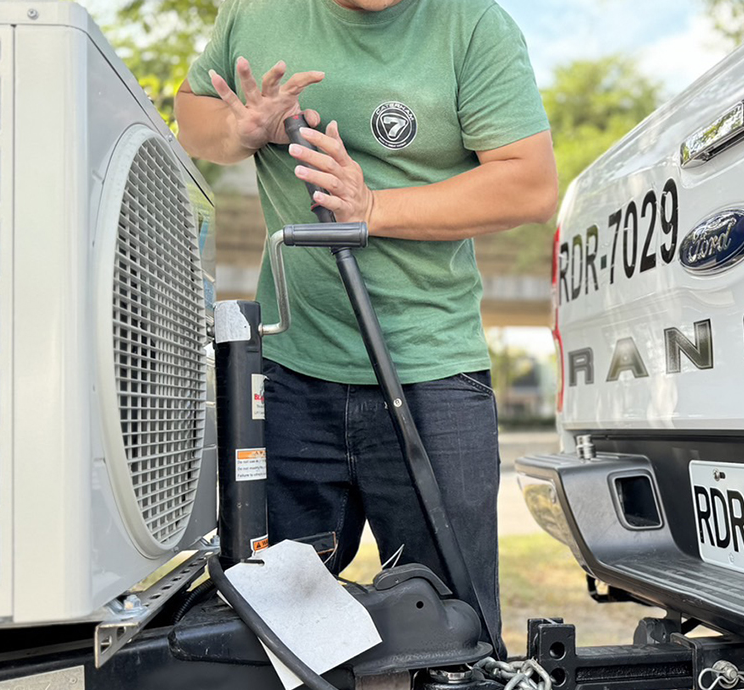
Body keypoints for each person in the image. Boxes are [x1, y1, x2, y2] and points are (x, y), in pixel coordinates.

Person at [175, 0, 557, 655]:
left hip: (431, 376)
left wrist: (373, 207)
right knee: (278, 627)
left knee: (453, 634)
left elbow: (530, 185)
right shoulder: (256, 13)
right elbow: (192, 115)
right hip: (292, 370)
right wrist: (241, 131)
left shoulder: (472, 25)